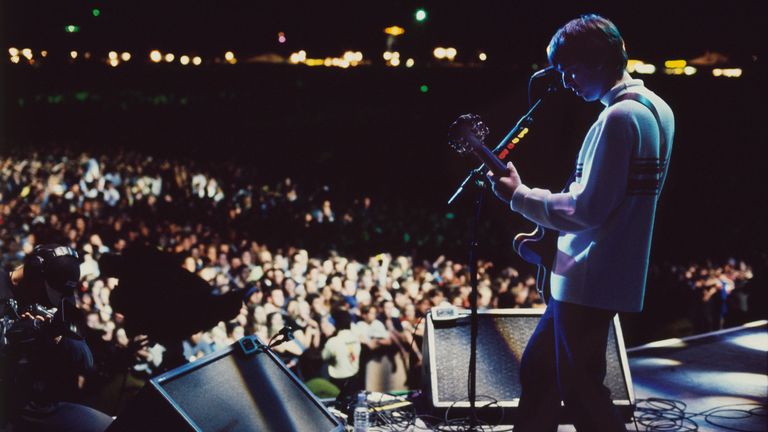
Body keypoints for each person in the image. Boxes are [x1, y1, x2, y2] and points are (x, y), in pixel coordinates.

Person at [487, 14, 674, 432]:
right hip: (603, 271)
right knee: (539, 372)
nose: (565, 81)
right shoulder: (658, 109)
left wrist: (519, 195)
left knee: (581, 390)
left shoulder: (619, 119)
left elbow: (588, 210)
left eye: (567, 69)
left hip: (589, 275)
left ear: (596, 61)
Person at [1, 244, 113, 431]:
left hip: (37, 404)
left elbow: (85, 359)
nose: (48, 300)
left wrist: (56, 336)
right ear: (33, 271)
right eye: (46, 292)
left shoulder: (59, 297)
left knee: (109, 427)